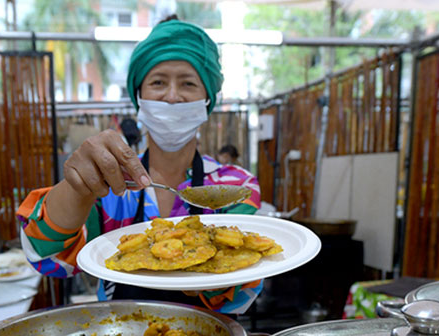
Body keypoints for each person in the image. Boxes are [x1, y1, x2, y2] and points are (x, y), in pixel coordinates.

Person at [16, 18, 263, 314]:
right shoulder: (108, 183)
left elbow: (244, 286)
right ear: (139, 97)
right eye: (158, 82)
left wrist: (202, 270)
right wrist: (77, 187)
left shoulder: (235, 185)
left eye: (188, 83)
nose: (172, 96)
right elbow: (48, 257)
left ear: (207, 99)